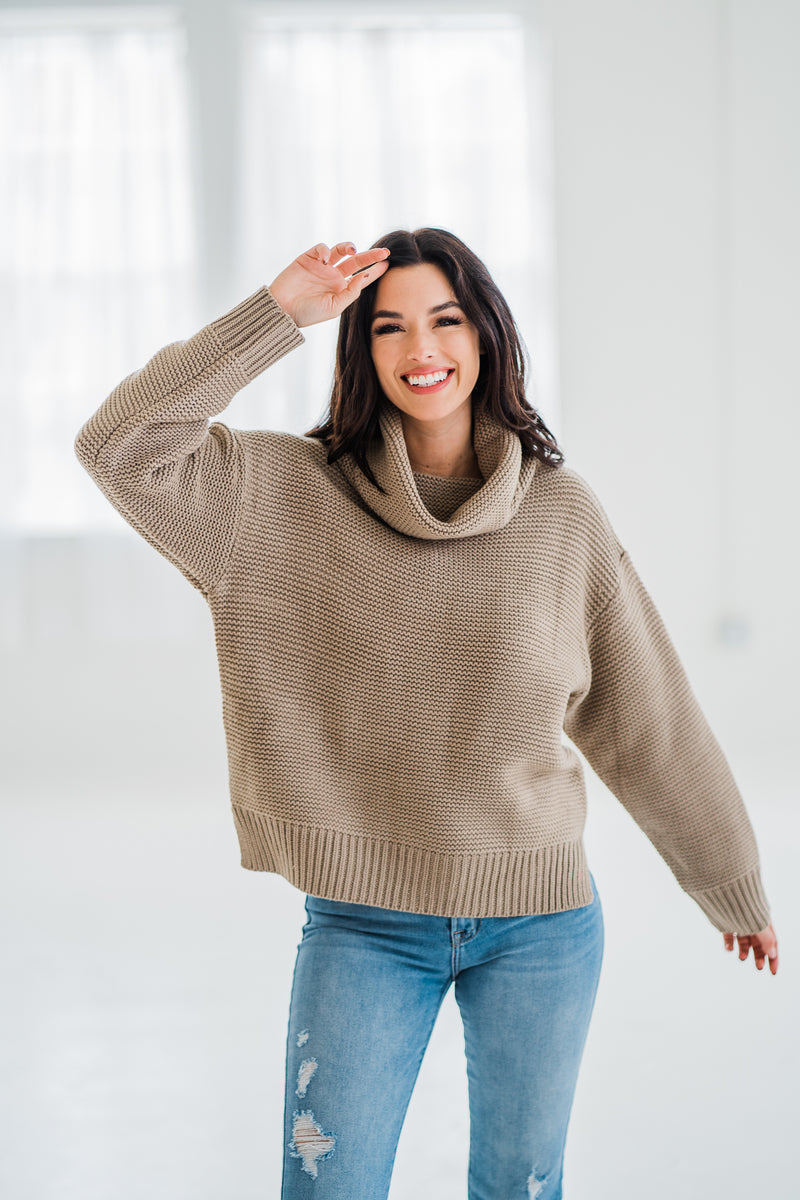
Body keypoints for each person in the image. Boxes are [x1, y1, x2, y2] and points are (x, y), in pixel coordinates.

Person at [74, 228, 778, 1199]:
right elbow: (118, 448)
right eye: (389, 328)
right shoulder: (274, 495)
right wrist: (274, 314)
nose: (421, 350)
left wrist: (727, 878)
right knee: (329, 1187)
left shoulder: (562, 513)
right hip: (364, 926)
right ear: (358, 351)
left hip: (540, 923)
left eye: (445, 320)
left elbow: (644, 715)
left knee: (519, 1187)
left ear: (486, 334)